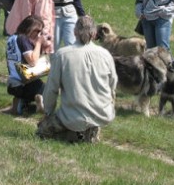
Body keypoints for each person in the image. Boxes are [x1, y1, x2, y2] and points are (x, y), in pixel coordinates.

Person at [36, 15, 117, 143]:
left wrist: (48, 112)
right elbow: (113, 85)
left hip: (72, 117)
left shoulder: (62, 55)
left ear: (74, 32)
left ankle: (75, 133)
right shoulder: (105, 55)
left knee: (42, 131)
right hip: (103, 114)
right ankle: (90, 130)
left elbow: (51, 89)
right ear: (94, 33)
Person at [5, 15, 48, 115]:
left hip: (12, 84)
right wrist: (39, 43)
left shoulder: (12, 38)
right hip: (25, 83)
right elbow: (33, 61)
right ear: (29, 28)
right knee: (47, 88)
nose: (38, 34)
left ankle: (19, 106)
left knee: (23, 95)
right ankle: (38, 98)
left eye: (40, 32)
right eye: (37, 31)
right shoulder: (23, 39)